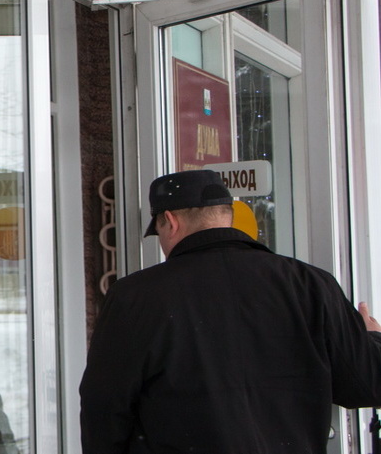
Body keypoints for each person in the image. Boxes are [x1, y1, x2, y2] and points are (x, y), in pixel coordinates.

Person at [79, 169, 381, 453]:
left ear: (170, 221)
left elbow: (104, 405)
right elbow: (367, 384)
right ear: (228, 217)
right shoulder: (311, 284)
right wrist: (370, 339)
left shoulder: (135, 295)